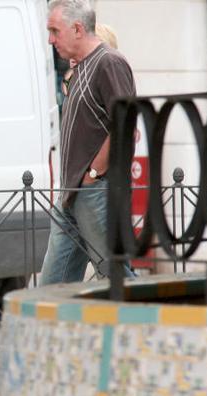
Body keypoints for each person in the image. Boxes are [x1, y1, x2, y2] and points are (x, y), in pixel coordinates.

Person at [40, 0, 135, 285]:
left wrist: (93, 175)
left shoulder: (109, 63)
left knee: (117, 280)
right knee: (52, 287)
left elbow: (125, 125)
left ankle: (152, 326)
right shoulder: (82, 67)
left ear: (78, 29)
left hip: (95, 192)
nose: (50, 39)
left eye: (55, 31)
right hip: (73, 194)